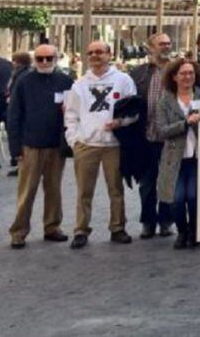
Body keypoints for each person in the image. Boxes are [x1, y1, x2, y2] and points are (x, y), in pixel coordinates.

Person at [65, 41, 138, 249]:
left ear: (109, 54)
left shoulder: (123, 80)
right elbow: (71, 115)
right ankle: (81, 230)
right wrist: (74, 140)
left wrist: (121, 122)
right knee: (84, 191)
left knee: (116, 189)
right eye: (90, 53)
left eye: (99, 52)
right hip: (86, 144)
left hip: (113, 144)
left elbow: (134, 111)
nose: (95, 56)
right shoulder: (79, 85)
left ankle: (117, 227)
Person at [7, 44, 73, 247]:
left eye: (49, 58)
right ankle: (18, 232)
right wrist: (15, 148)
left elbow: (73, 112)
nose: (44, 62)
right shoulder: (24, 81)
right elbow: (14, 115)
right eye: (40, 58)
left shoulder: (66, 81)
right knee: (26, 191)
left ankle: (52, 227)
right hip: (30, 146)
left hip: (56, 146)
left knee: (54, 189)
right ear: (34, 60)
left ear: (56, 58)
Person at [155, 58, 200, 249]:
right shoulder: (165, 100)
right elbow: (161, 130)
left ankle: (195, 232)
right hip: (174, 157)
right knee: (177, 198)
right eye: (183, 73)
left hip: (198, 156)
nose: (188, 77)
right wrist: (185, 123)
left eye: (191, 73)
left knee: (194, 197)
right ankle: (182, 231)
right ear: (174, 77)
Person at [129, 32, 174, 240]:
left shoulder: (178, 70)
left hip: (171, 137)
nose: (166, 46)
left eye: (168, 43)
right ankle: (148, 222)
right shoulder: (138, 73)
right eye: (161, 44)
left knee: (168, 183)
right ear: (150, 48)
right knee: (147, 184)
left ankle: (166, 222)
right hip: (146, 136)